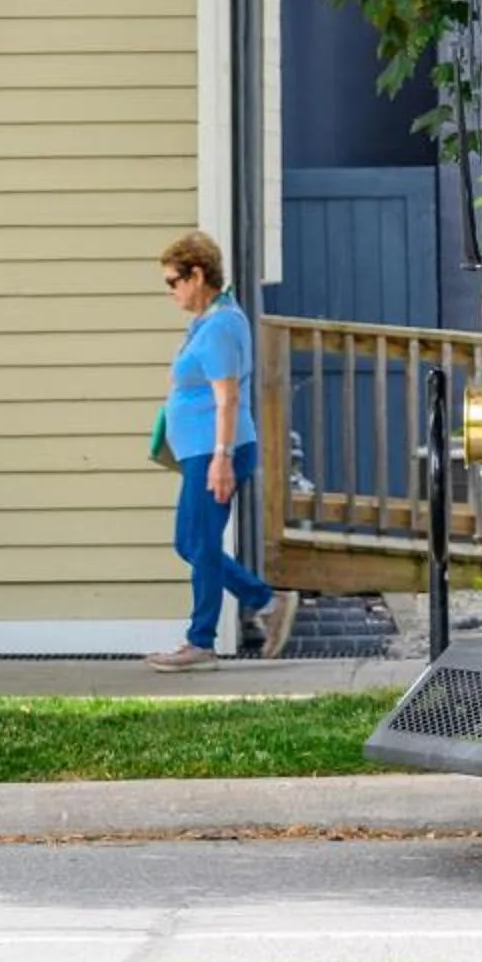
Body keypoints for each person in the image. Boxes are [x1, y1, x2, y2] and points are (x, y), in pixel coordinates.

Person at [152, 231, 296, 670]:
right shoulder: (210, 321)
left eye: (173, 281)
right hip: (202, 452)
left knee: (201, 542)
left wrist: (220, 457)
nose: (171, 291)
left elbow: (227, 397)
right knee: (191, 542)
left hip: (216, 452)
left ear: (198, 275)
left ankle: (201, 642)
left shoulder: (220, 327)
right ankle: (266, 603)